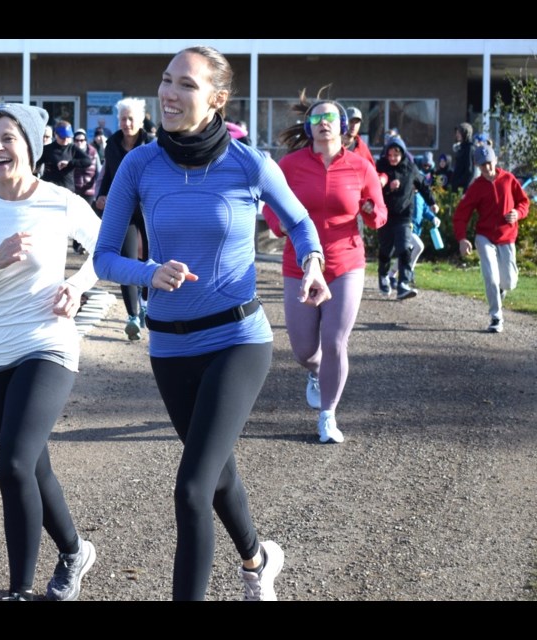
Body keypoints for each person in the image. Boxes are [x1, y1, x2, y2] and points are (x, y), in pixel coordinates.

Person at [93, 45, 330, 601]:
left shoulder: (249, 163)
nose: (169, 93)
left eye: (186, 85)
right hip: (170, 348)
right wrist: (149, 271)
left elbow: (299, 224)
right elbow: (105, 257)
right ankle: (257, 559)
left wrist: (314, 264)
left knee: (192, 488)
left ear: (217, 99)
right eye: (166, 80)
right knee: (216, 470)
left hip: (237, 340)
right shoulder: (139, 163)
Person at [0, 103, 101, 601]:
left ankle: (19, 591)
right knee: (34, 465)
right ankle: (74, 552)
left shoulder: (60, 201)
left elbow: (109, 250)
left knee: (11, 464)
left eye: (8, 138)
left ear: (30, 146)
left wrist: (78, 285)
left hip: (47, 343)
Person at [262, 94, 387, 446]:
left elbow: (380, 212)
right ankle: (317, 373)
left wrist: (370, 212)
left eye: (330, 117)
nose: (323, 123)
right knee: (304, 351)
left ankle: (328, 416)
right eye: (316, 119)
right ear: (308, 127)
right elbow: (270, 204)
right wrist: (278, 225)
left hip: (345, 261)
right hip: (298, 261)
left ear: (343, 126)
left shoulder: (360, 166)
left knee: (335, 341)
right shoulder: (290, 165)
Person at [453, 144, 530, 333]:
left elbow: (524, 202)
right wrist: (462, 238)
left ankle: (502, 291)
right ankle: (496, 317)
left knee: (509, 282)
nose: (486, 168)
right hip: (484, 237)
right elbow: (461, 215)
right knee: (491, 277)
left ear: (495, 161)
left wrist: (517, 213)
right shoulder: (476, 187)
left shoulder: (509, 179)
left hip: (506, 236)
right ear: (477, 166)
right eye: (482, 165)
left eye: (489, 163)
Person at [95, 97, 152, 340]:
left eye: (131, 119)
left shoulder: (152, 145)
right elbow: (107, 175)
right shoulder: (112, 145)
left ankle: (147, 301)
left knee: (151, 258)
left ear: (140, 120)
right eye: (123, 118)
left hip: (148, 208)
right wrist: (101, 195)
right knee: (126, 260)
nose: (126, 123)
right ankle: (132, 316)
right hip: (123, 209)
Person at [375, 136, 439, 299]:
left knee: (404, 249)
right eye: (389, 155)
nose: (392, 159)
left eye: (396, 155)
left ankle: (403, 283)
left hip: (403, 216)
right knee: (385, 250)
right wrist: (388, 188)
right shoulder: (381, 168)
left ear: (402, 154)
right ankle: (383, 276)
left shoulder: (410, 169)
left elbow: (423, 185)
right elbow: (373, 189)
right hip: (385, 216)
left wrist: (432, 202)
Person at [37, 120, 92, 192]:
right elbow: (35, 165)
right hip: (50, 188)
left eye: (68, 137)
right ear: (55, 134)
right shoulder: (47, 149)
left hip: (67, 188)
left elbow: (87, 161)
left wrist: (69, 163)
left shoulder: (72, 148)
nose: (66, 140)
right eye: (63, 137)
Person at [451, 122, 474, 193]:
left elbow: (469, 171)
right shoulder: (462, 147)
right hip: (457, 187)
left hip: (463, 189)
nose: (457, 134)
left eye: (459, 132)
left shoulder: (469, 148)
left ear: (465, 133)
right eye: (457, 132)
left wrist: (459, 184)